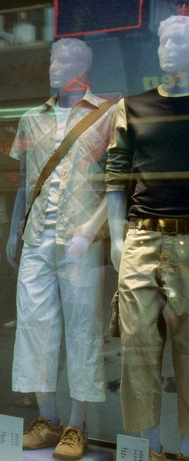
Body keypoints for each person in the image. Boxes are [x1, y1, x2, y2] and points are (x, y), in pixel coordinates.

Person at [5, 38, 115, 459]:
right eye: (52, 57)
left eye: (63, 58)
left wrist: (93, 229)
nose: (54, 65)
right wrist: (15, 231)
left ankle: (76, 425)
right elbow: (22, 182)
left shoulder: (107, 114)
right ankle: (47, 419)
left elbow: (117, 184)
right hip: (36, 238)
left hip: (80, 240)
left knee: (83, 329)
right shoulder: (32, 118)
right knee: (34, 327)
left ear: (83, 65)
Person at [105, 15, 189, 461]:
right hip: (142, 238)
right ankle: (150, 450)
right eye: (163, 40)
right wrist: (118, 241)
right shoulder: (132, 106)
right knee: (137, 351)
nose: (167, 47)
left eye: (178, 39)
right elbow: (116, 177)